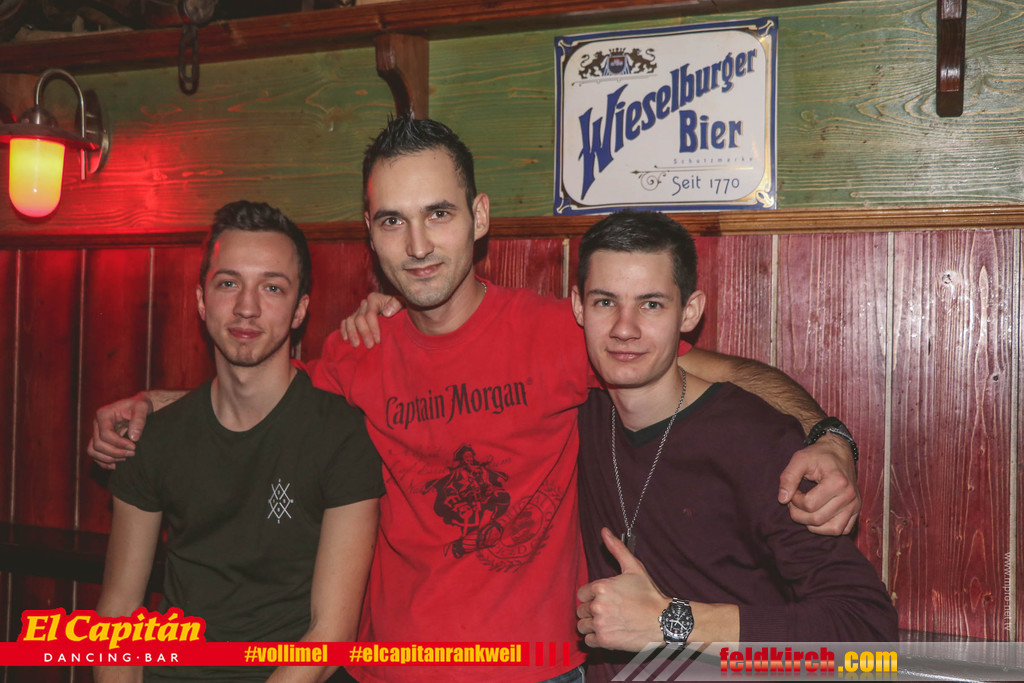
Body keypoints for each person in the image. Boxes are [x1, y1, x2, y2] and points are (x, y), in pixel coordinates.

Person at [88, 118, 860, 683]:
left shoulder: (562, 331)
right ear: (370, 234)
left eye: (439, 214)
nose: (418, 245)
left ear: (479, 217)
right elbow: (260, 390)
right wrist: (156, 403)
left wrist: (828, 435)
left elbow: (717, 377)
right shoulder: (357, 353)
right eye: (393, 221)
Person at [571, 210, 897, 682]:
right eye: (605, 301)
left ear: (689, 312)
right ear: (578, 308)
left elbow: (867, 632)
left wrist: (673, 624)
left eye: (651, 304)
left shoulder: (755, 440)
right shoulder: (573, 413)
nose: (625, 328)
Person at [95, 201, 384, 683]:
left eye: (272, 287)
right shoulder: (154, 438)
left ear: (300, 309)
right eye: (228, 283)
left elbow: (329, 635)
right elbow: (118, 612)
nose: (246, 307)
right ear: (202, 301)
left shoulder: (340, 435)